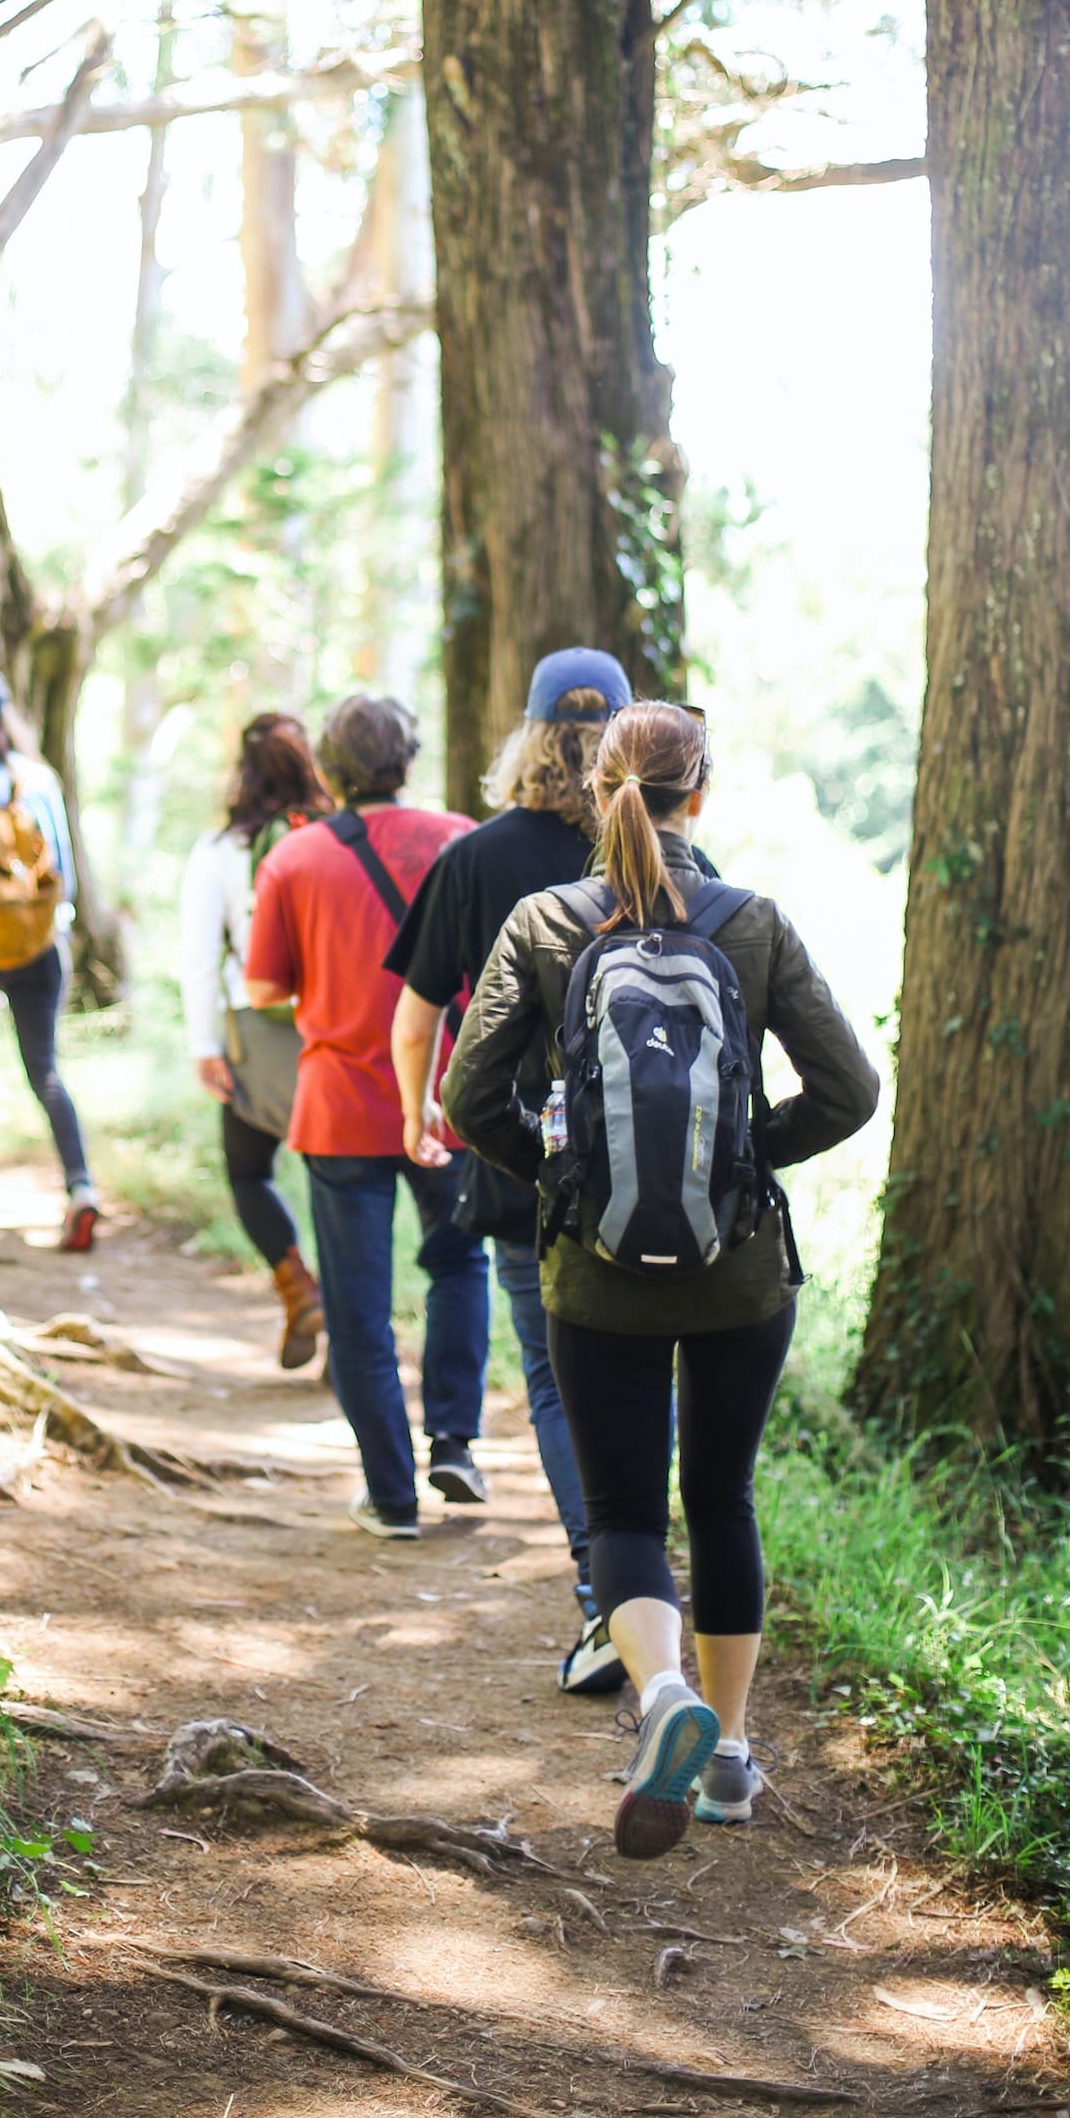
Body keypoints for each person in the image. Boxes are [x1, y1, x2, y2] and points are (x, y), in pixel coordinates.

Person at [444, 700, 878, 1855]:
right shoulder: (753, 922)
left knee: (629, 1510)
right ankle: (730, 1758)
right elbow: (850, 1091)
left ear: (596, 791)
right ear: (704, 794)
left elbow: (466, 1101)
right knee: (723, 1497)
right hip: (739, 1278)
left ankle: (664, 1696)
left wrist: (562, 1179)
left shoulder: (545, 922)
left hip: (595, 1276)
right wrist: (742, 1164)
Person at [388, 648, 637, 1687]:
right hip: (653, 1163)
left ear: (527, 739)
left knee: (553, 1377)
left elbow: (416, 1016)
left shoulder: (478, 858)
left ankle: (605, 1596)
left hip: (522, 1160)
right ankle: (655, 1587)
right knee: (645, 1371)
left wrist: (418, 1117)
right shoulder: (662, 857)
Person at [244, 693, 479, 1538]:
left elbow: (263, 986)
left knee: (359, 1307)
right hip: (449, 1097)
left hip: (342, 1105)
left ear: (331, 770)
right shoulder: (459, 839)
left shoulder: (296, 861)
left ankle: (392, 1495)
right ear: (407, 759)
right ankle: (454, 1439)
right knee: (459, 1265)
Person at [179, 712, 333, 1369]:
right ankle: (351, 1334)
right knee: (340, 1185)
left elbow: (197, 956)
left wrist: (204, 1045)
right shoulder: (339, 838)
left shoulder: (221, 851)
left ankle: (297, 1284)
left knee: (249, 1172)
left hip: (255, 1033)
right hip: (337, 1033)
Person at [0, 665, 100, 1252]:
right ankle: (80, 1187)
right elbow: (67, 878)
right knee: (46, 1070)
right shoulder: (39, 780)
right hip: (36, 949)